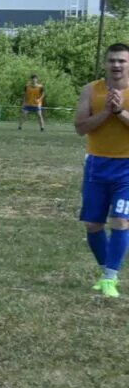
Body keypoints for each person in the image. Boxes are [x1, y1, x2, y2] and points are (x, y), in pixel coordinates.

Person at [72, 44, 129, 297]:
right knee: (93, 225)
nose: (116, 65)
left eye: (122, 61)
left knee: (120, 219)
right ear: (105, 63)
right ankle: (107, 269)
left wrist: (120, 112)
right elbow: (81, 127)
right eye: (112, 61)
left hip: (126, 166)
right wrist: (106, 111)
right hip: (96, 165)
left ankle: (110, 278)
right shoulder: (91, 90)